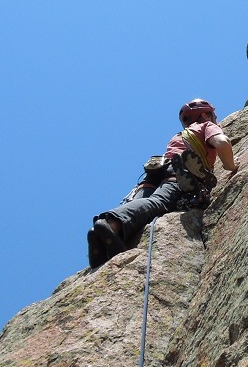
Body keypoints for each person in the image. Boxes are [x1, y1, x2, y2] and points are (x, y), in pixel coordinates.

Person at [87, 98, 239, 268]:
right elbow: (222, 142)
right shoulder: (205, 125)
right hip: (178, 171)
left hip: (156, 171)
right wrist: (231, 165)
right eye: (214, 115)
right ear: (205, 115)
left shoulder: (179, 136)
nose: (216, 118)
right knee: (160, 202)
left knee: (141, 204)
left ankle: (100, 242)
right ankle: (111, 224)